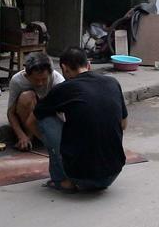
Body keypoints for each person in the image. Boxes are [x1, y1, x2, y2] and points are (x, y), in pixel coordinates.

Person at [28, 47, 128, 192]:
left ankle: (62, 180)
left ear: (64, 68)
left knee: (45, 118)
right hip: (113, 173)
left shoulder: (64, 88)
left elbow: (31, 122)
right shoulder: (113, 82)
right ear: (88, 64)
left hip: (81, 177)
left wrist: (52, 145)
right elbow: (123, 124)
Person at [7, 52, 64, 151]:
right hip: (28, 119)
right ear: (27, 74)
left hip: (48, 117)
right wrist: (21, 135)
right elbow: (10, 113)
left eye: (44, 79)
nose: (40, 83)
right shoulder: (17, 81)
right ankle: (29, 137)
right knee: (27, 97)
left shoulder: (57, 81)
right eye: (36, 80)